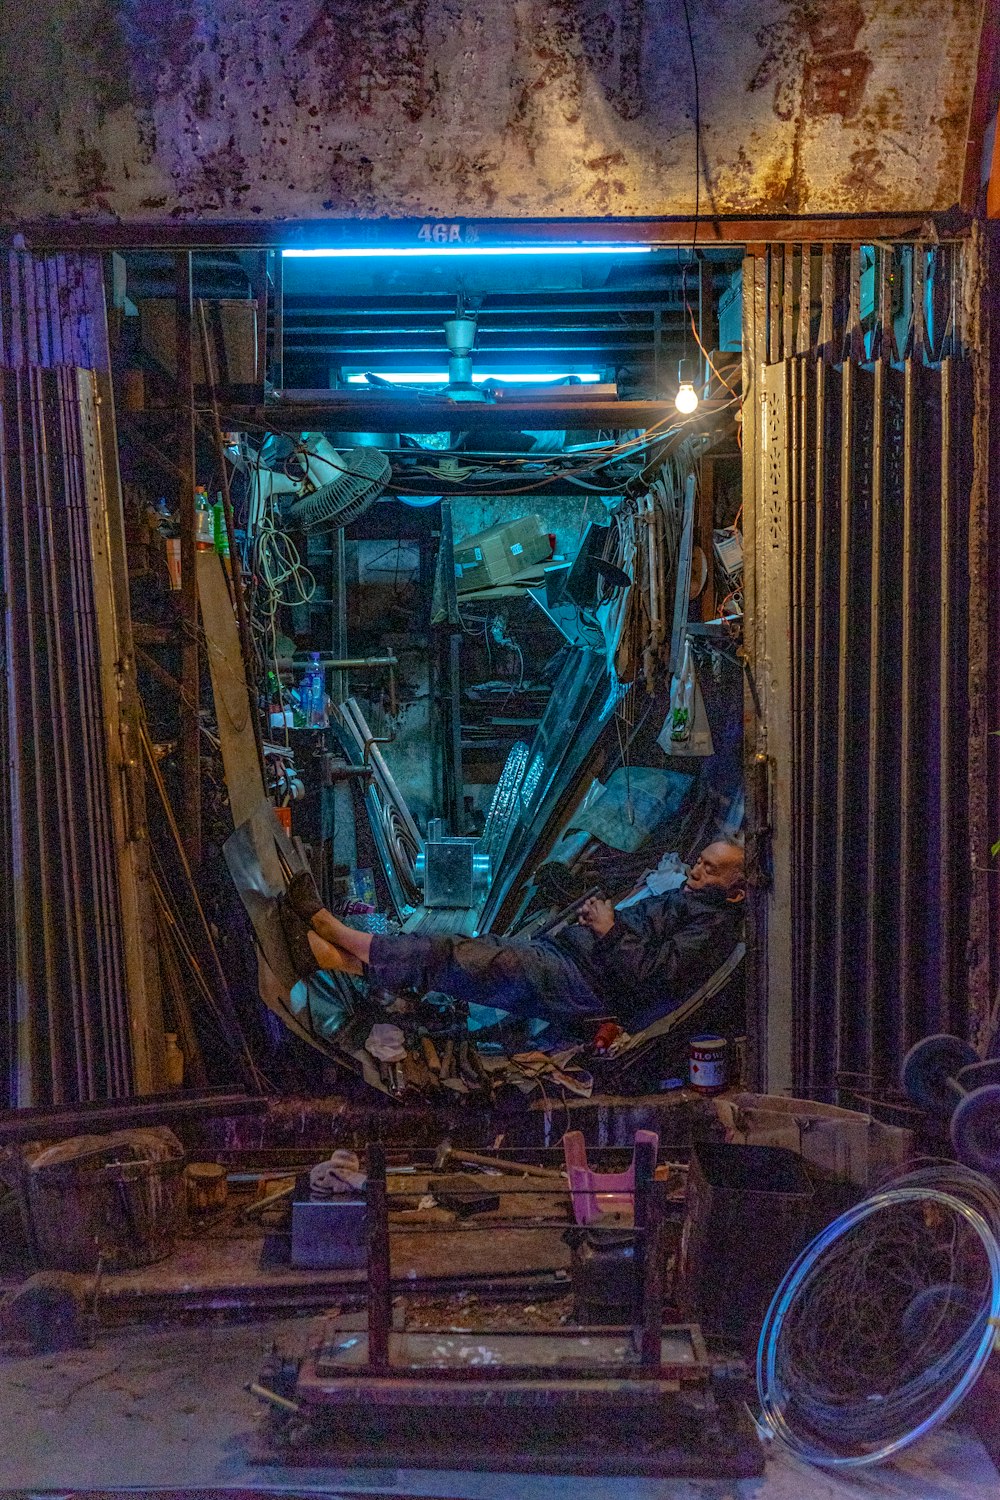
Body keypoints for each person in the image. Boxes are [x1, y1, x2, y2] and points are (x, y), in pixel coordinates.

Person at [281, 840, 745, 1037]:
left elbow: (655, 975)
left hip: (586, 984)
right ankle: (328, 957)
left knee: (457, 954)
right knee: (463, 966)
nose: (696, 871)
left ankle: (333, 930)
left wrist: (611, 928)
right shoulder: (691, 901)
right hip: (572, 959)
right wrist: (600, 924)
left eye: (711, 869)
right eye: (699, 861)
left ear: (738, 889)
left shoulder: (714, 926)